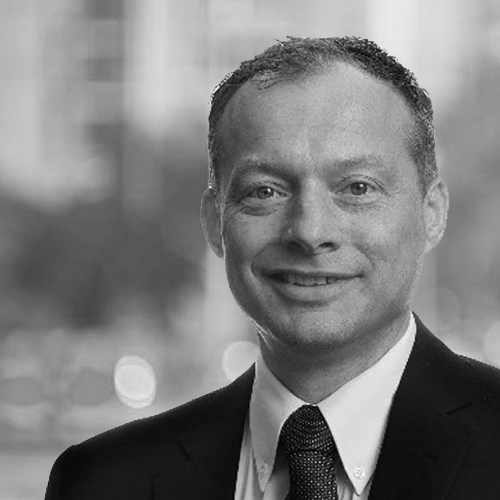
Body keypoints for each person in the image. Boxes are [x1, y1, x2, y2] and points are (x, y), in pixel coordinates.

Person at [45, 36, 500, 500]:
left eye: (357, 188)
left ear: (432, 213)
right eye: (266, 192)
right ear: (214, 223)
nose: (309, 231)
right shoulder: (101, 482)